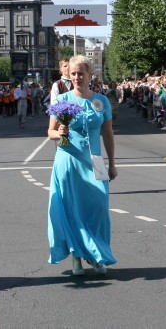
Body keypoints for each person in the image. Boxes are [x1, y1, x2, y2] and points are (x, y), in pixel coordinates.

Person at [47, 55, 118, 275]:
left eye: (81, 73)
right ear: (69, 75)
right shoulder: (61, 100)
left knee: (97, 208)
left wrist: (112, 163)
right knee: (72, 209)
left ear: (90, 75)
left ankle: (96, 255)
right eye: (74, 73)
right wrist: (58, 133)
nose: (77, 77)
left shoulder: (101, 101)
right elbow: (50, 132)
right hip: (68, 160)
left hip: (95, 161)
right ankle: (77, 256)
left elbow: (108, 133)